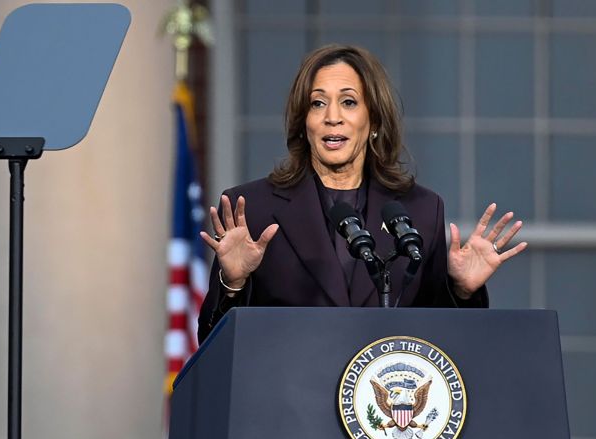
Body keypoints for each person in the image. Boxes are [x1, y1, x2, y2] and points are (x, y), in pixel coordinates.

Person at [197, 44, 526, 342]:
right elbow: (213, 344)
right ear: (303, 122)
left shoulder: (421, 210)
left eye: (349, 102)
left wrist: (463, 292)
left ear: (374, 121)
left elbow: (442, 345)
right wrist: (232, 284)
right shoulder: (253, 208)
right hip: (288, 402)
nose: (333, 117)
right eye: (318, 103)